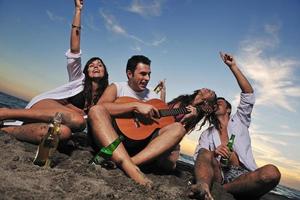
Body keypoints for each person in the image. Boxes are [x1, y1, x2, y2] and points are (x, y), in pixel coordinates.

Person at [88, 55, 217, 186]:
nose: (147, 79)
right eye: (143, 74)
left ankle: (130, 163)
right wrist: (135, 106)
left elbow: (168, 127)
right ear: (129, 74)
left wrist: (186, 121)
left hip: (138, 146)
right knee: (95, 111)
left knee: (178, 129)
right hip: (113, 138)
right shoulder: (117, 87)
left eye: (149, 74)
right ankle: (129, 166)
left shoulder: (153, 96)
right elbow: (101, 106)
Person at [0, 0, 109, 144]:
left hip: (61, 122)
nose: (95, 66)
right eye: (91, 65)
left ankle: (7, 130)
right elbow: (75, 48)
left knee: (62, 133)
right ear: (86, 71)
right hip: (43, 107)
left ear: (105, 71)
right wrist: (78, 10)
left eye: (99, 65)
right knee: (77, 121)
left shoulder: (104, 96)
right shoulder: (78, 79)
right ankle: (6, 113)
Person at [189, 52, 281, 200]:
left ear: (228, 109)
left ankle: (222, 190)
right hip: (219, 173)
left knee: (272, 173)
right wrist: (214, 153)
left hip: (243, 174)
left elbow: (248, 94)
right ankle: (203, 186)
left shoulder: (240, 121)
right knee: (204, 151)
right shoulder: (208, 133)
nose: (216, 104)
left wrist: (233, 66)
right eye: (215, 103)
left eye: (220, 102)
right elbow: (198, 157)